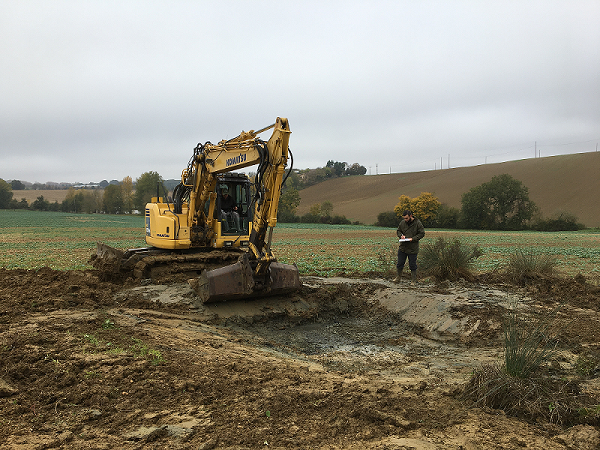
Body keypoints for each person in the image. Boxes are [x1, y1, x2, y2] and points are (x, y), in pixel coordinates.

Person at [395, 210, 425, 283]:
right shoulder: (402, 223)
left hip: (413, 248)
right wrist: (401, 236)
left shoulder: (417, 223)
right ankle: (398, 278)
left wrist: (413, 239)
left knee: (412, 265)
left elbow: (422, 233)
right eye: (404, 218)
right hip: (403, 247)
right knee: (400, 263)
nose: (405, 220)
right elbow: (398, 231)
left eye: (407, 218)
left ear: (411, 216)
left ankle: (413, 280)